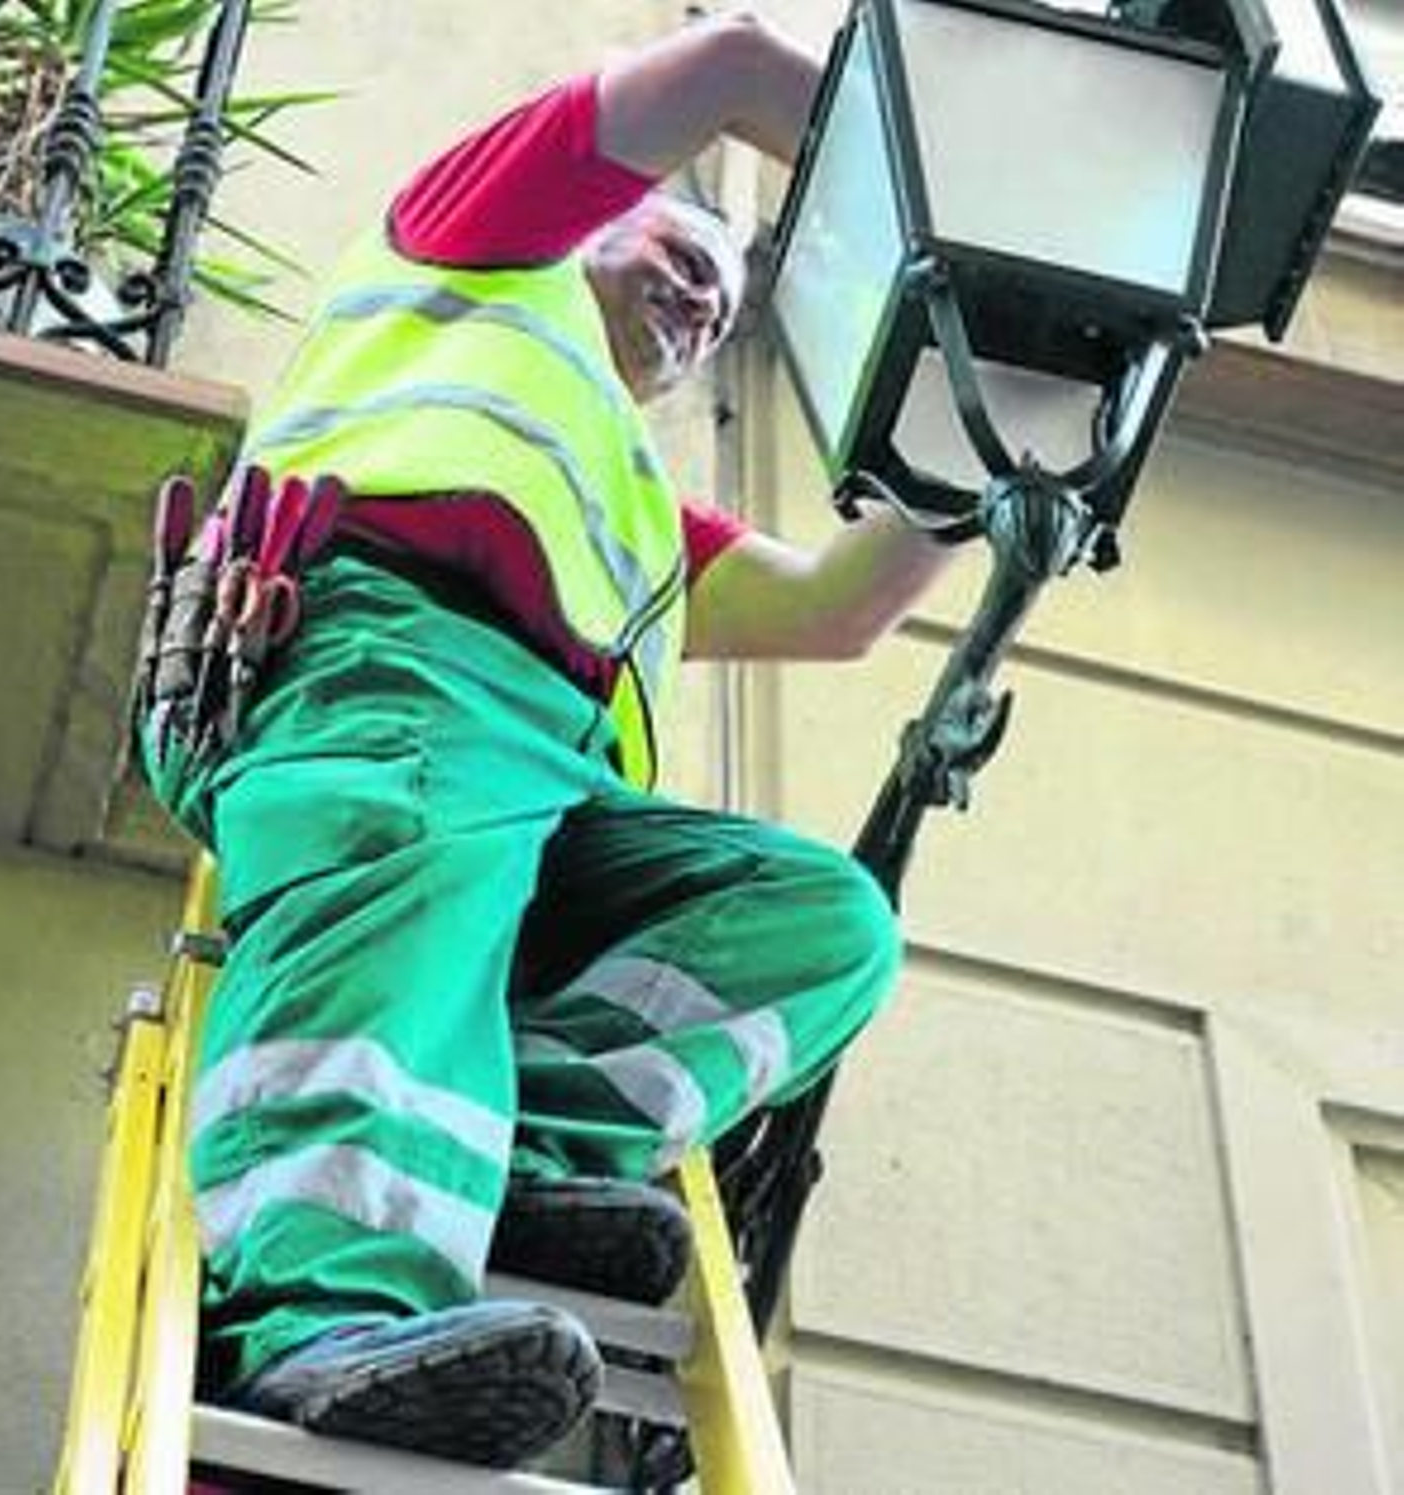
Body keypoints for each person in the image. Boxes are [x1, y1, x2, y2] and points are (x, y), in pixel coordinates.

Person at [143, 11, 954, 1470]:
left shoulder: (647, 509)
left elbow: (847, 608)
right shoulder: (468, 248)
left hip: (557, 794)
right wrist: (949, 188)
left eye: (726, 305)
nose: (708, 307)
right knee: (412, 850)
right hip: (387, 662)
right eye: (688, 261)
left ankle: (531, 1152)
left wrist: (998, 417)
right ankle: (320, 1318)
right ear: (588, 226)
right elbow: (728, 70)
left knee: (822, 917)